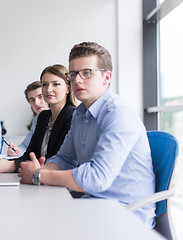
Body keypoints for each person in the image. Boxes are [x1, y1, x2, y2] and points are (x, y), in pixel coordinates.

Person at [18, 42, 156, 227]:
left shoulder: (118, 113)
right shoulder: (79, 113)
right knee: (28, 218)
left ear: (106, 77)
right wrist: (44, 169)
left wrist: (39, 176)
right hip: (91, 204)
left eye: (87, 73)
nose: (77, 80)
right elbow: (64, 158)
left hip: (125, 214)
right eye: (73, 74)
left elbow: (97, 178)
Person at [0, 64, 76, 173]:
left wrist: (12, 166)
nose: (48, 89)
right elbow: (30, 155)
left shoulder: (74, 116)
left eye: (56, 84)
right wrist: (7, 163)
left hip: (59, 182)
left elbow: (59, 161)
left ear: (68, 88)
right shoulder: (43, 117)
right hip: (39, 179)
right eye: (44, 84)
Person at [6, 81, 49, 157]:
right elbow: (25, 146)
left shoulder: (62, 117)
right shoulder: (36, 120)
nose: (36, 103)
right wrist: (16, 151)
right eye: (32, 100)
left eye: (40, 96)